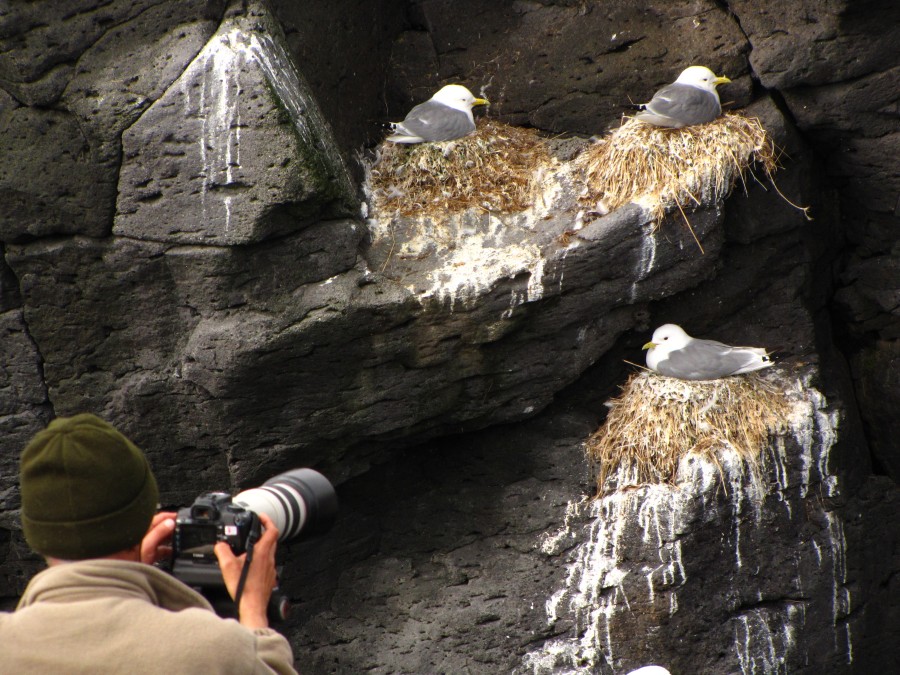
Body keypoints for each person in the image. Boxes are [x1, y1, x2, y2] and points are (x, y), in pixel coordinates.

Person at [0, 413, 298, 674]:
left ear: (34, 531)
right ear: (143, 518)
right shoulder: (213, 650)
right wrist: (254, 614)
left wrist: (134, 580)